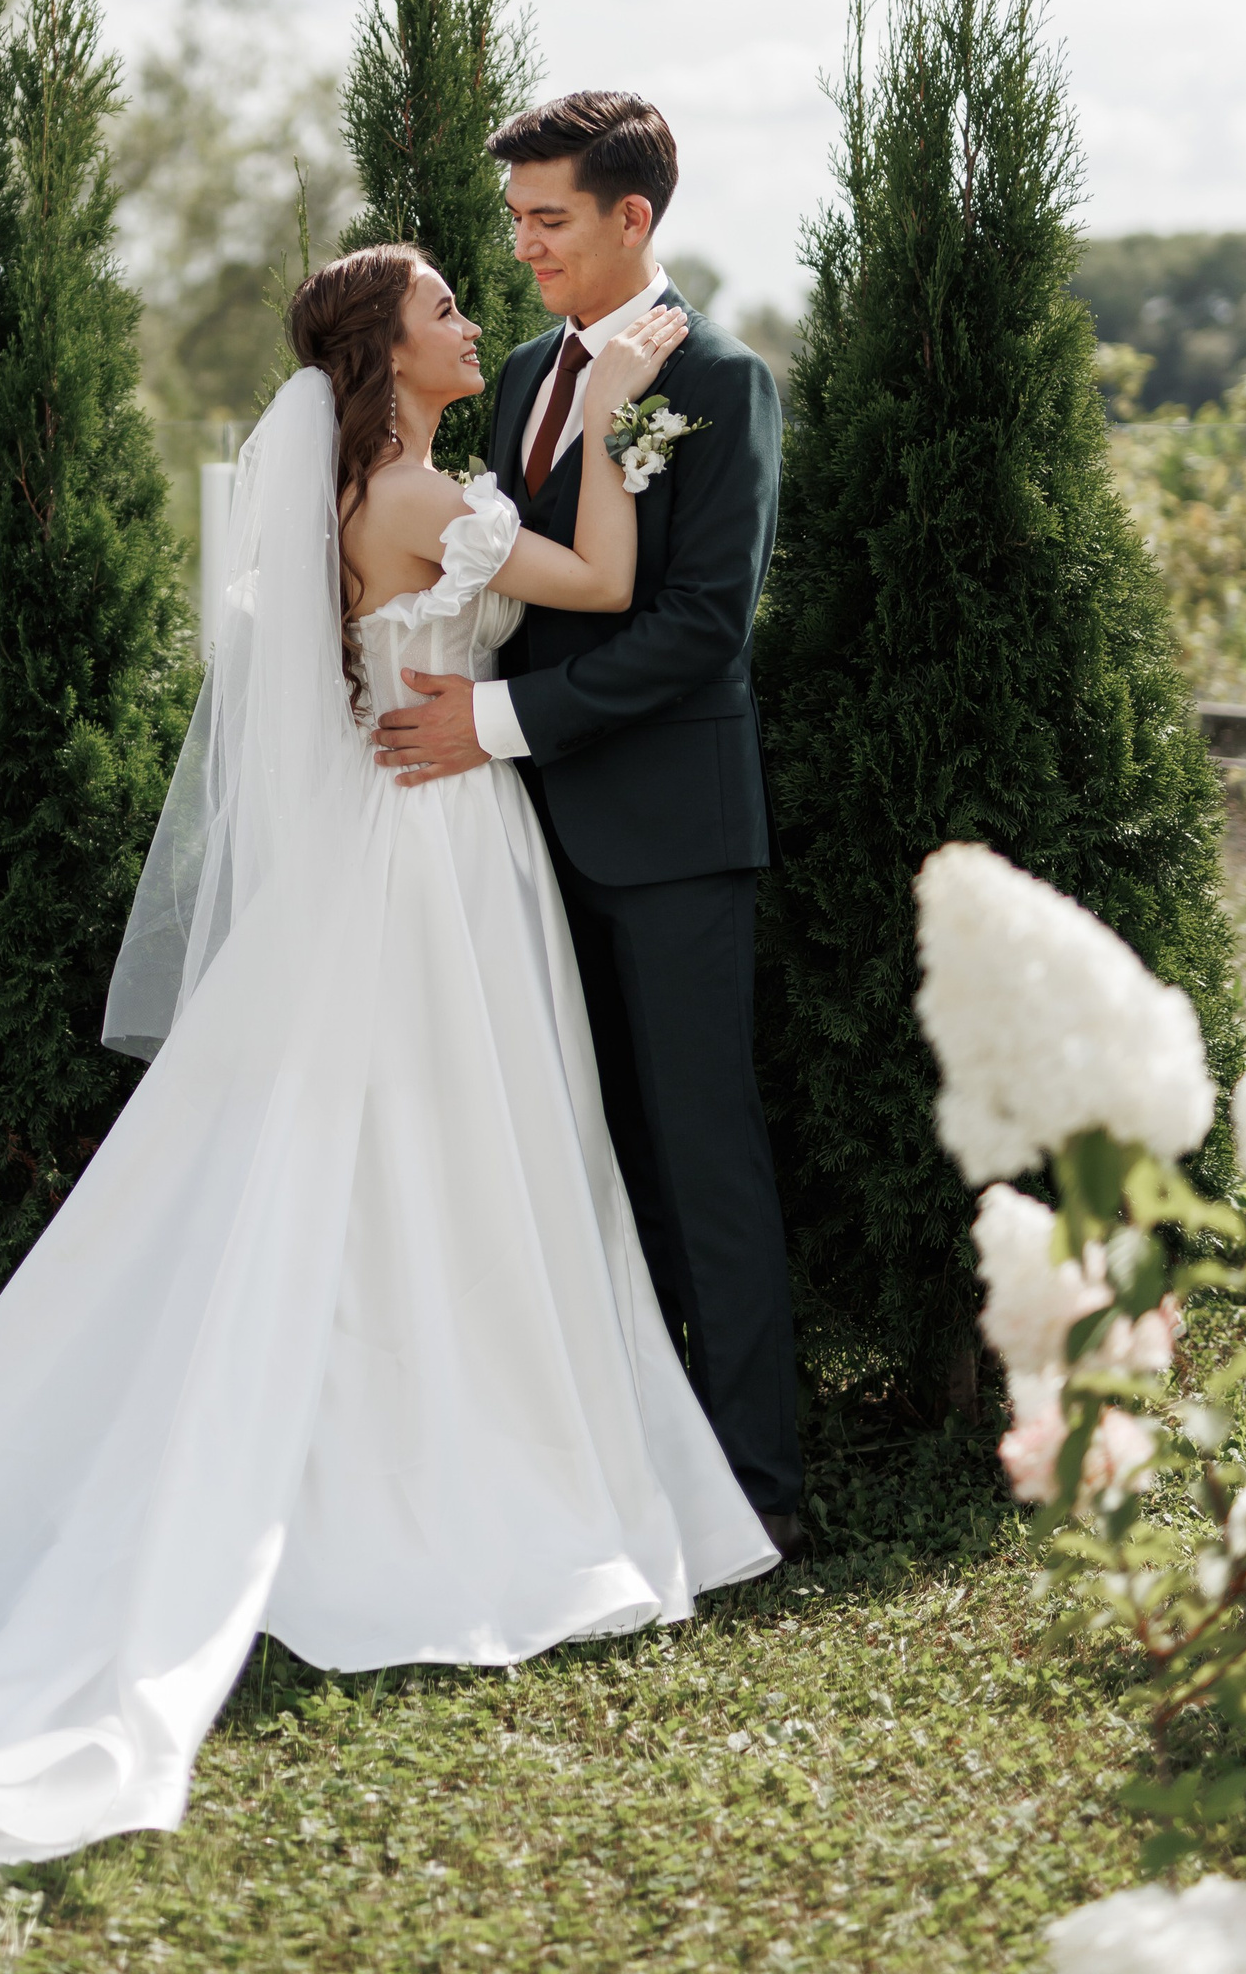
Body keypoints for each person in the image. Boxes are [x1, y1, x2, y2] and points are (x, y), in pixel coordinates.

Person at [0, 241, 775, 1870]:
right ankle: (439, 1459)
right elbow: (609, 588)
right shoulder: (416, 498)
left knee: (408, 1150)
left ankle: (392, 1428)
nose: (474, 318)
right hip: (435, 852)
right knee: (449, 1147)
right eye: (442, 310)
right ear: (383, 355)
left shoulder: (380, 490)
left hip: (426, 840)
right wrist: (612, 416)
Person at [372, 92, 803, 1554]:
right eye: (516, 220)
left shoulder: (724, 382)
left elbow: (700, 629)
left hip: (671, 833)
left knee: (702, 1156)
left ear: (634, 217)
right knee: (584, 1159)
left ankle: (755, 1487)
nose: (525, 246)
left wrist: (490, 724)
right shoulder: (517, 382)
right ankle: (625, 1459)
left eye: (549, 218)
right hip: (518, 841)